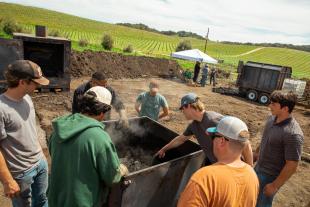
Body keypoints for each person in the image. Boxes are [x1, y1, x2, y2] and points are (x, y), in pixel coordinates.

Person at [48, 86, 128, 207]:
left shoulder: (58, 130)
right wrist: (121, 170)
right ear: (102, 112)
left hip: (56, 200)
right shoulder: (99, 137)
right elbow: (112, 178)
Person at [178, 116, 259, 207]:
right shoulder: (252, 175)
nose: (212, 141)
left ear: (222, 141)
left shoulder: (205, 178)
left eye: (213, 137)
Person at [0, 60, 49, 207]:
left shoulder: (27, 99)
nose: (38, 86)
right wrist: (8, 181)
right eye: (35, 83)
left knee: (42, 200)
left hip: (40, 164)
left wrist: (42, 156)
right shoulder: (1, 108)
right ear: (22, 82)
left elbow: (30, 130)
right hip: (21, 173)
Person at [156, 93, 253, 166]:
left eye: (183, 109)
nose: (182, 112)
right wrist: (163, 149)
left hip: (231, 167)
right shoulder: (193, 125)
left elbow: (245, 142)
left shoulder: (213, 120)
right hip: (216, 166)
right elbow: (181, 139)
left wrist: (249, 169)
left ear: (189, 106)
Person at [254, 91, 304, 207]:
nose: (269, 106)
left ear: (285, 108)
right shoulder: (272, 119)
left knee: (262, 204)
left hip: (270, 177)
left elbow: (292, 165)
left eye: (273, 104)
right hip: (258, 167)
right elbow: (265, 138)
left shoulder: (293, 134)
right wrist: (256, 153)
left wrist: (275, 185)